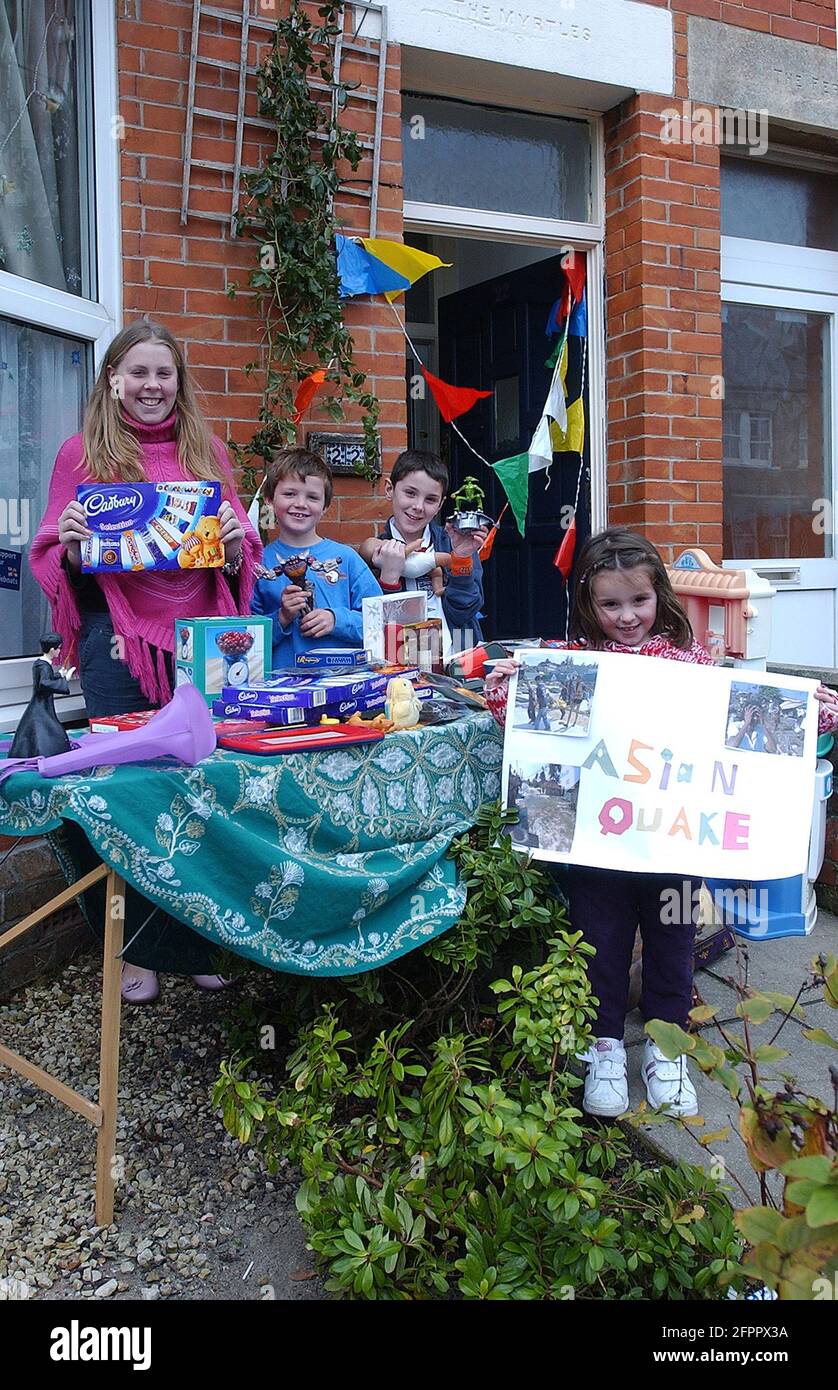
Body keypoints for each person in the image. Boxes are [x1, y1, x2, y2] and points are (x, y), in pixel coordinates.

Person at [485, 526, 838, 1120]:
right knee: (598, 943)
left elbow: (741, 719)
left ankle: (666, 1049)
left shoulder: (690, 662)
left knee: (674, 943)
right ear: (588, 606)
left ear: (660, 597)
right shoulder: (573, 660)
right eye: (611, 604)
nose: (627, 617)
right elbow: (522, 725)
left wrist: (808, 707)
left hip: (674, 840)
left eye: (639, 601)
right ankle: (604, 1050)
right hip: (597, 846)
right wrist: (511, 691)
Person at [29, 319, 262, 1004]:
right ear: (113, 379)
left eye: (164, 373)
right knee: (127, 797)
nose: (152, 385)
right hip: (117, 643)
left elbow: (239, 549)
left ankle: (196, 940)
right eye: (139, 372)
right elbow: (56, 554)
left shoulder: (207, 449)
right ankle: (139, 949)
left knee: (207, 790)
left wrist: (232, 540)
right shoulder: (81, 454)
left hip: (206, 646)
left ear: (178, 383)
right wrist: (69, 544)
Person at [251, 448, 382, 668]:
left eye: (312, 497)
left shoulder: (346, 559)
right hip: (282, 688)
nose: (301, 503)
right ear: (269, 500)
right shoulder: (258, 564)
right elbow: (245, 637)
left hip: (344, 686)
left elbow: (381, 621)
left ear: (325, 507)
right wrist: (281, 618)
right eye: (290, 494)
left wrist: (336, 620)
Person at [359, 449, 487, 659]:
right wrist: (390, 578)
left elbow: (464, 612)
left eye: (430, 499)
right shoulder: (374, 552)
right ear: (389, 489)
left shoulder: (454, 544)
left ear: (440, 505)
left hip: (456, 661)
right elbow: (375, 626)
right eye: (410, 493)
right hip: (399, 665)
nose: (418, 506)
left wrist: (462, 558)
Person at [9, 634, 74, 758]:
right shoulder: (43, 666)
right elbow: (44, 683)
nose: (60, 651)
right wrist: (65, 681)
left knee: (40, 728)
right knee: (47, 728)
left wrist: (59, 675)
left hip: (42, 703)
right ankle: (46, 753)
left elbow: (46, 679)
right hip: (41, 704)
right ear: (52, 650)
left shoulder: (41, 664)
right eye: (59, 648)